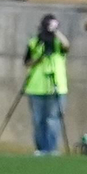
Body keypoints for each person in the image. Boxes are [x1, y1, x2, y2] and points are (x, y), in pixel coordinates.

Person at [24, 13, 68, 155]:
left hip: (56, 87)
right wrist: (38, 58)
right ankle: (40, 148)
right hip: (36, 87)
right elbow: (27, 62)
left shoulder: (57, 43)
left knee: (53, 119)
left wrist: (55, 31)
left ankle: (52, 148)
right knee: (38, 120)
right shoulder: (34, 42)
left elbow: (66, 45)